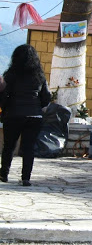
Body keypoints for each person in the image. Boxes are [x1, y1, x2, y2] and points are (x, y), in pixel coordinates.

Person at [0, 45, 51, 186]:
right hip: (34, 116)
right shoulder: (39, 76)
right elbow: (46, 98)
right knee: (29, 147)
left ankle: (4, 174)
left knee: (9, 146)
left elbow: (4, 95)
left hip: (13, 114)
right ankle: (26, 178)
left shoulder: (10, 75)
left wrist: (4, 110)